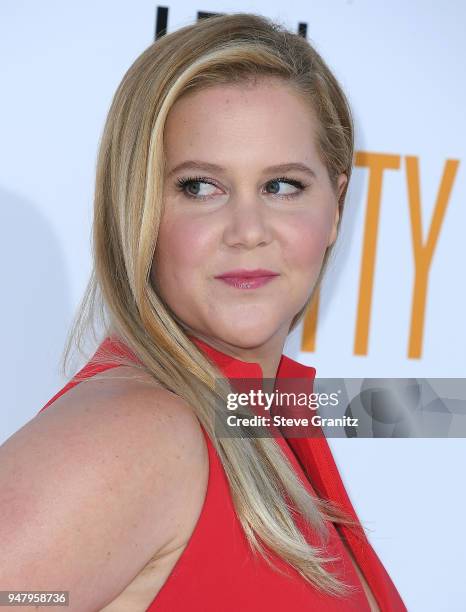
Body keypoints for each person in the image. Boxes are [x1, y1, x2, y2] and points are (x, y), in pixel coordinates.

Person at [0, 12, 407, 612]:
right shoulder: (141, 432)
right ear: (139, 207)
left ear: (337, 206)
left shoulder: (260, 414)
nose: (247, 232)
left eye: (283, 186)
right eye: (199, 187)